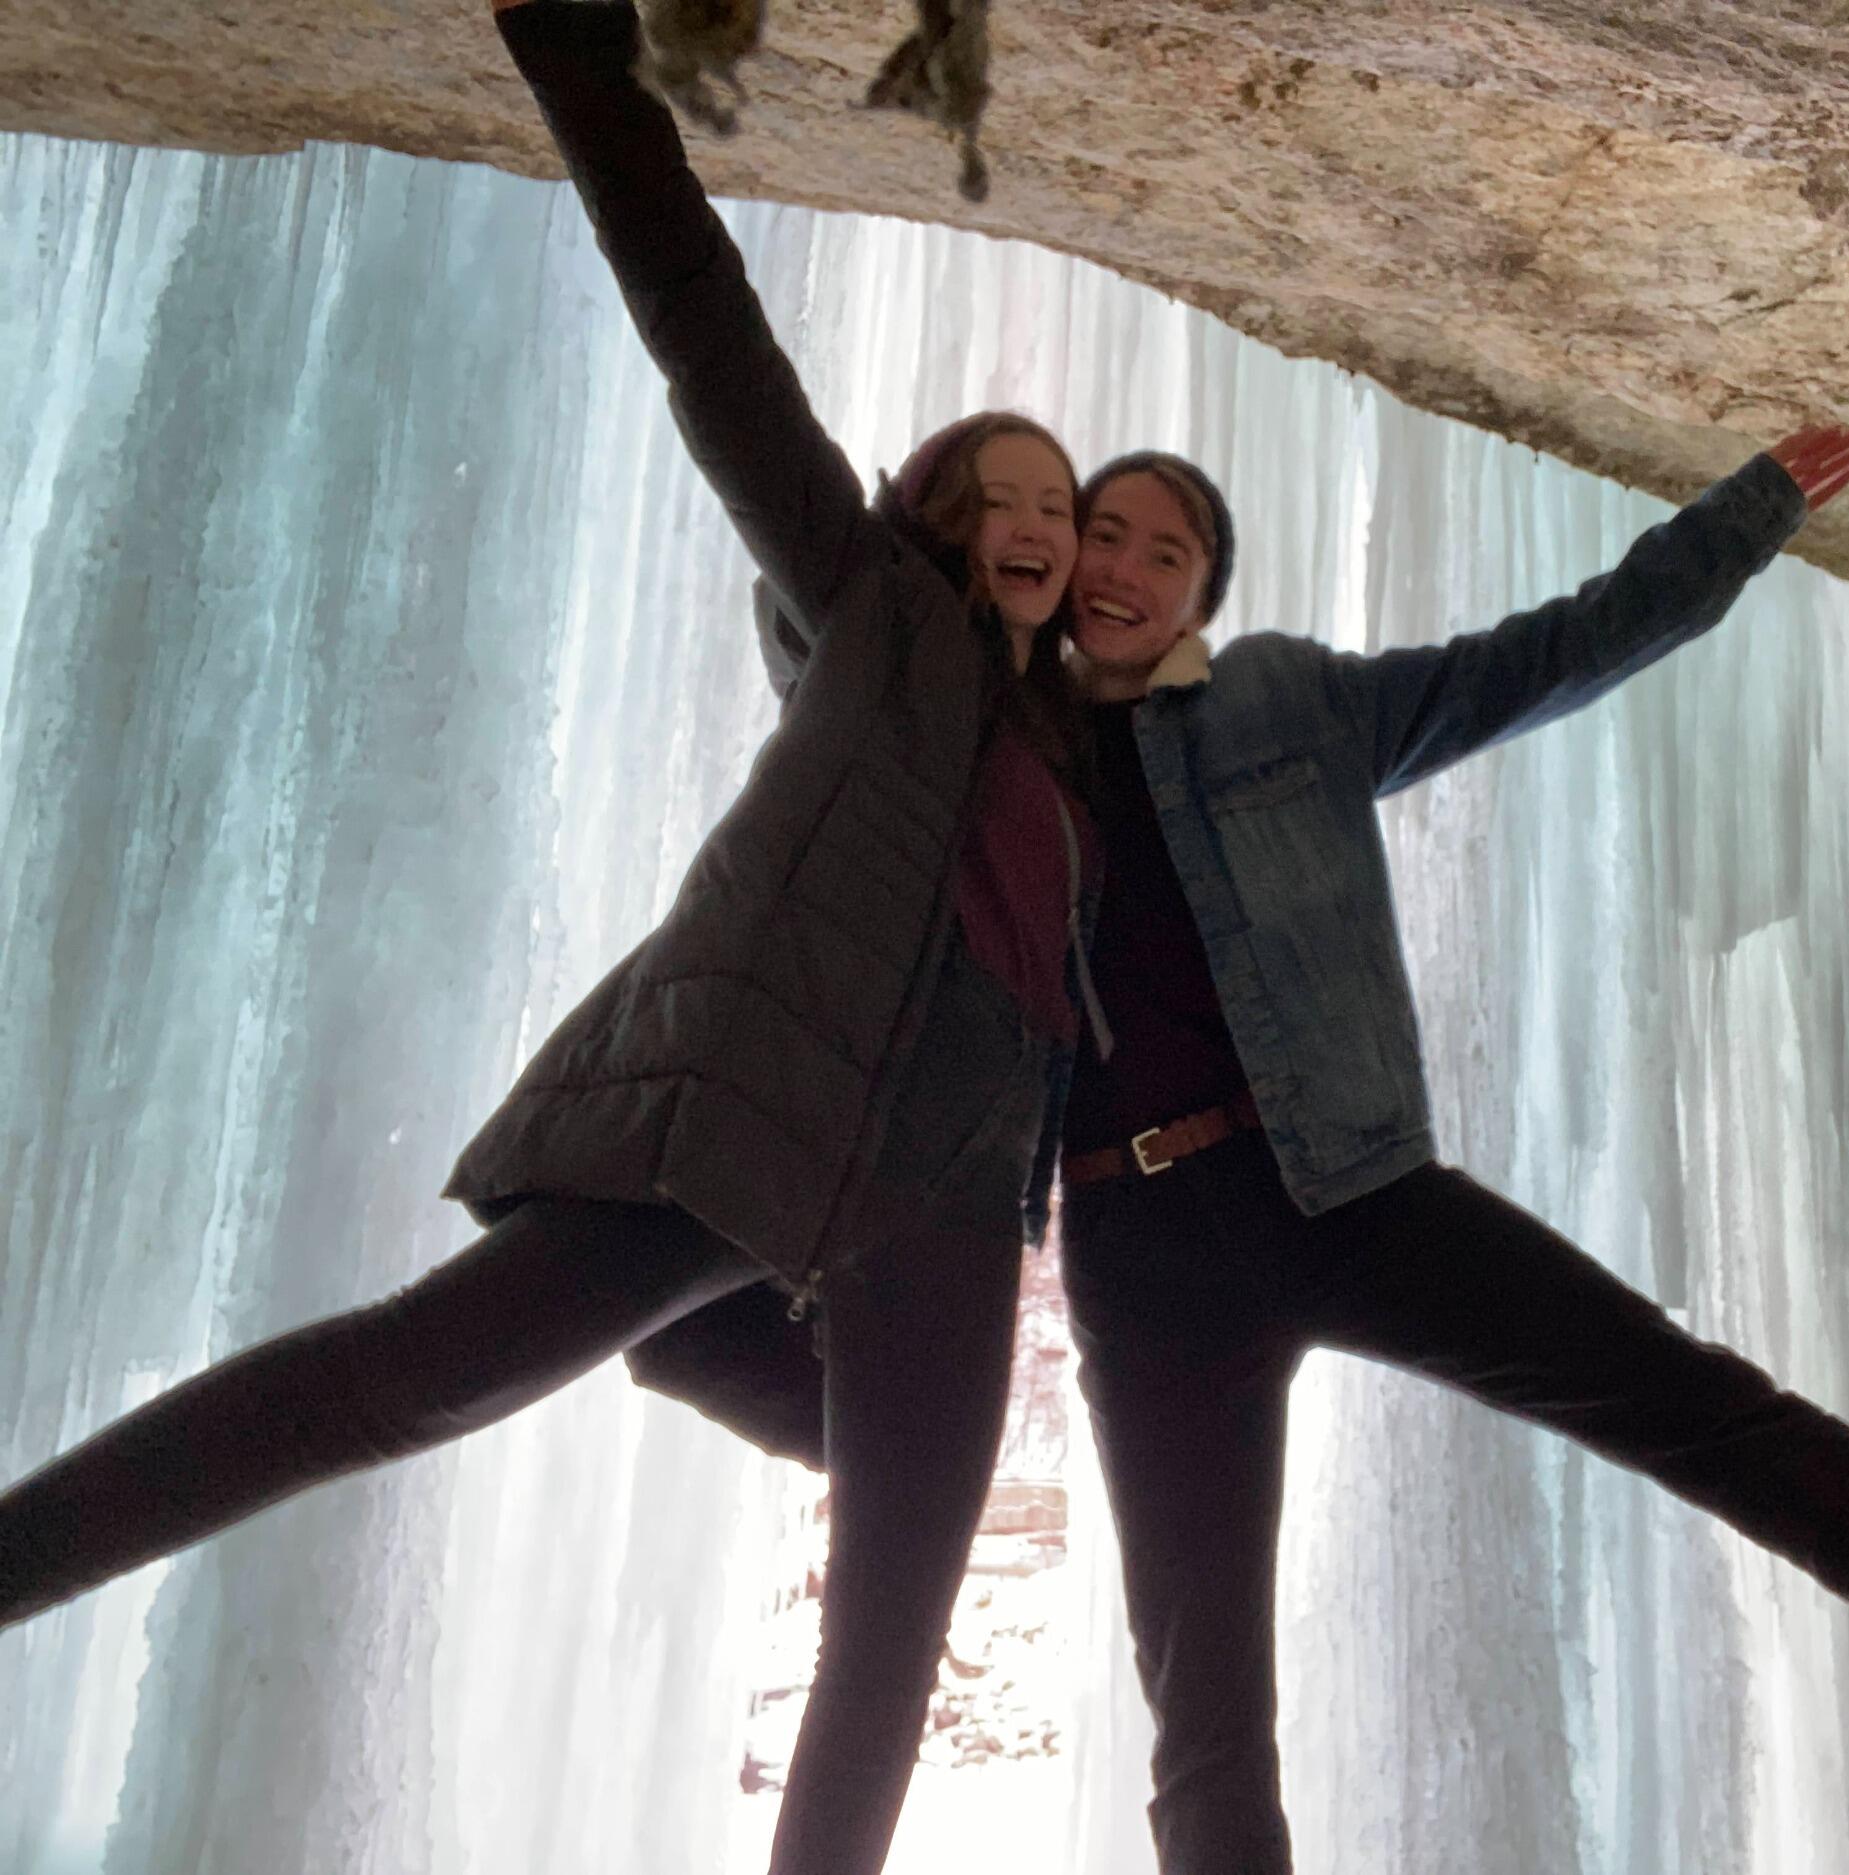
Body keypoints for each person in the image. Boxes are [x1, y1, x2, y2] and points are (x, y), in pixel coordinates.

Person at [0, 5, 1106, 1871]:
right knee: (399, 1381)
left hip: (941, 1193)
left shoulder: (1086, 759)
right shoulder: (865, 616)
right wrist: (573, 55)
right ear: (923, 521)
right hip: (749, 1107)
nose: (1031, 524)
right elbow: (706, 335)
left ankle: (740, 1354)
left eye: (1057, 511)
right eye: (988, 495)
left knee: (891, 1642)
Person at [1048, 436, 1849, 1870]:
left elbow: (1553, 654)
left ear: (1201, 601)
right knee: (1206, 1706)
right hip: (1137, 1251)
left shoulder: (1284, 703)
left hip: (1343, 1189)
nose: (1125, 569)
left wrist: (1745, 516)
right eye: (1107, 534)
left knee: (1712, 1418)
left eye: (1168, 553)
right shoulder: (988, 734)